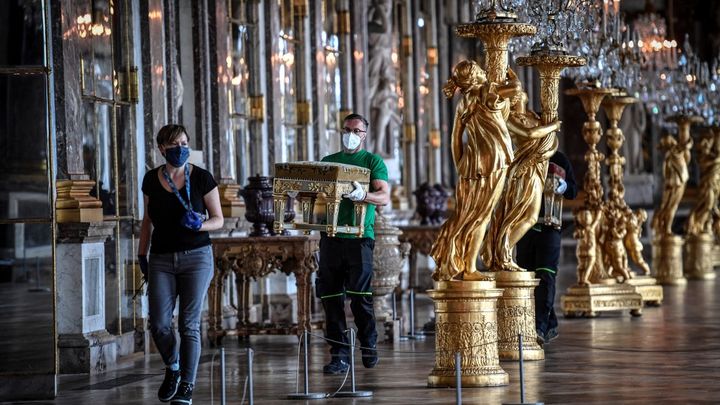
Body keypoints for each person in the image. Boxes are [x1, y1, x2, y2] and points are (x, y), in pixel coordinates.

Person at [138, 124, 224, 404]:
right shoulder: (151, 179)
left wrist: (200, 225)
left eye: (184, 143)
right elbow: (147, 220)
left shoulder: (201, 178)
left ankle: (187, 384)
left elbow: (218, 220)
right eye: (174, 145)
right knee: (159, 324)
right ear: (162, 148)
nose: (181, 149)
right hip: (161, 258)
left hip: (197, 257)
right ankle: (173, 367)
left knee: (189, 324)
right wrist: (142, 255)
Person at [430, 60, 521, 281]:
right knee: (482, 216)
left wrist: (460, 163)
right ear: (477, 75)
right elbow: (516, 89)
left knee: (467, 214)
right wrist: (511, 73)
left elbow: (454, 138)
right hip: (494, 163)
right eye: (479, 69)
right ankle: (469, 268)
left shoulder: (465, 102)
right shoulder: (490, 92)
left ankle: (457, 260)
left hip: (471, 164)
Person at [316, 113, 390, 375]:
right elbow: (316, 197)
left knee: (360, 298)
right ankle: (339, 355)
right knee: (331, 298)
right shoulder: (328, 161)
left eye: (357, 131)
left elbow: (383, 197)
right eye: (347, 129)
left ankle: (368, 343)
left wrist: (364, 195)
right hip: (331, 238)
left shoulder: (372, 162)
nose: (351, 134)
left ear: (364, 134)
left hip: (360, 238)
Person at [516, 150, 577, 345]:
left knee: (546, 275)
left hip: (550, 227)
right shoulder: (521, 156)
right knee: (527, 277)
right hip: (524, 228)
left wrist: (563, 186)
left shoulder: (559, 158)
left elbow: (573, 190)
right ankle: (548, 323)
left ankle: (540, 326)